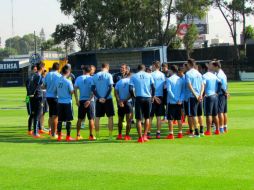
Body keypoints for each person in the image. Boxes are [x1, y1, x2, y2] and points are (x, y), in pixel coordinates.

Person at [129, 64, 155, 143]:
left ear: (138, 69)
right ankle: (145, 136)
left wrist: (134, 97)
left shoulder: (133, 76)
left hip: (139, 98)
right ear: (144, 69)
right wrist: (153, 96)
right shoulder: (149, 75)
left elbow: (130, 89)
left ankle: (140, 138)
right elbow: (153, 87)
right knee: (147, 118)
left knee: (138, 119)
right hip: (147, 98)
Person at [92, 63, 114, 140]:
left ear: (101, 67)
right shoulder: (108, 75)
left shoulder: (95, 76)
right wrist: (105, 97)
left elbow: (93, 89)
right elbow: (111, 87)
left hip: (98, 99)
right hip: (107, 99)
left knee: (97, 118)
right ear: (107, 67)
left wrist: (99, 97)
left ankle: (97, 136)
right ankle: (110, 136)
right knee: (110, 117)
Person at [74, 65, 96, 141]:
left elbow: (75, 89)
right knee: (91, 119)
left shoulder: (78, 78)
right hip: (90, 101)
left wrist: (76, 99)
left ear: (83, 71)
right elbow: (94, 91)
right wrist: (89, 100)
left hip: (81, 100)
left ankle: (78, 135)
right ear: (90, 71)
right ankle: (91, 135)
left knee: (80, 118)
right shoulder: (92, 79)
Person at [185, 59, 204, 138]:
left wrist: (196, 95)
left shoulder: (188, 73)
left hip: (192, 97)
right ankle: (202, 131)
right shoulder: (198, 73)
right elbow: (203, 85)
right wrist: (201, 95)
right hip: (200, 96)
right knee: (200, 114)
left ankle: (196, 133)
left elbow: (189, 86)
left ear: (189, 64)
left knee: (194, 115)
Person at [26, 62, 45, 138]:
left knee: (34, 114)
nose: (44, 69)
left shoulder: (33, 75)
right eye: (44, 67)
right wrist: (33, 93)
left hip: (32, 97)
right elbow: (37, 86)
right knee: (38, 114)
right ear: (41, 68)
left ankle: (34, 131)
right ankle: (35, 132)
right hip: (37, 97)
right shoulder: (39, 76)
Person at [55, 65, 74, 142]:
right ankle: (68, 136)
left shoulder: (57, 81)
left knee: (60, 120)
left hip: (59, 102)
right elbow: (71, 91)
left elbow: (56, 90)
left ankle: (59, 136)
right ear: (68, 72)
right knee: (68, 120)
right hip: (67, 102)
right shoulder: (68, 81)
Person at [166, 65, 185, 139]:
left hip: (172, 102)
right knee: (179, 118)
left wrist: (176, 99)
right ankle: (180, 133)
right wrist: (180, 99)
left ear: (171, 70)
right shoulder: (181, 80)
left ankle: (171, 134)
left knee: (170, 119)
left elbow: (169, 91)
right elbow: (183, 91)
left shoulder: (169, 79)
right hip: (179, 102)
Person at [43, 62, 61, 138]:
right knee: (55, 116)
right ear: (58, 68)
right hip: (55, 97)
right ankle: (54, 133)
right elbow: (59, 87)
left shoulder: (48, 74)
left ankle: (50, 130)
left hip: (48, 96)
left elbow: (44, 85)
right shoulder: (59, 75)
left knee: (51, 115)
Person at [202, 62, 220, 135]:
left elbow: (203, 85)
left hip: (208, 96)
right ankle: (217, 130)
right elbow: (220, 83)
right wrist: (217, 92)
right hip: (214, 96)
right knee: (215, 114)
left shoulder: (204, 76)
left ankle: (208, 131)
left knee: (208, 114)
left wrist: (202, 94)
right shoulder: (214, 76)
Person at [149, 61, 166, 139]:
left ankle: (148, 132)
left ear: (155, 66)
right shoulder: (163, 75)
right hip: (160, 97)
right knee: (158, 116)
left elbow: (149, 87)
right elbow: (164, 87)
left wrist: (154, 96)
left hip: (152, 97)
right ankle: (158, 133)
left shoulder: (151, 75)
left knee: (150, 116)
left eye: (152, 66)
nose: (151, 67)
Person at [212, 60, 229, 133]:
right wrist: (226, 92)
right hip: (223, 94)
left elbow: (221, 85)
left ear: (216, 66)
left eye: (213, 67)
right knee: (224, 112)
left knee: (220, 112)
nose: (212, 68)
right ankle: (225, 127)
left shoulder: (219, 75)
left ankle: (221, 128)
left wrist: (224, 92)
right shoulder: (222, 73)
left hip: (220, 94)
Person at [114, 72, 132, 141]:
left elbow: (116, 93)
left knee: (120, 120)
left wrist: (119, 101)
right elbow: (132, 92)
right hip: (128, 103)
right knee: (129, 121)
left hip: (120, 103)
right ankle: (127, 136)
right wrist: (125, 100)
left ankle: (119, 135)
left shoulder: (118, 82)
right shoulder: (130, 82)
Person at [26, 65, 37, 135]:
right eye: (35, 69)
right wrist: (31, 95)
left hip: (34, 98)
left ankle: (36, 129)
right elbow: (28, 88)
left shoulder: (36, 77)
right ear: (32, 70)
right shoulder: (29, 78)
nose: (36, 71)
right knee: (31, 114)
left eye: (36, 69)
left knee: (35, 113)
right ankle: (29, 130)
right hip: (28, 97)